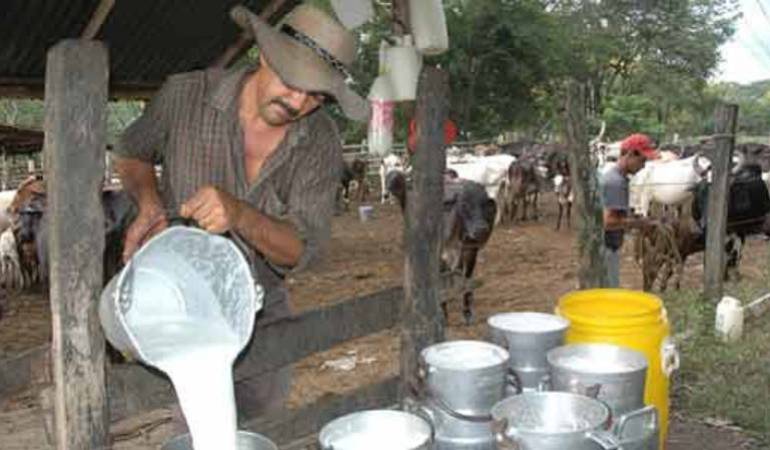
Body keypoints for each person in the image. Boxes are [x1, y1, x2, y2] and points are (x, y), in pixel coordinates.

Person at [112, 4, 368, 416]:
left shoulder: (320, 140)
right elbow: (131, 151)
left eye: (317, 94)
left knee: (262, 416)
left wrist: (241, 214)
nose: (297, 101)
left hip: (260, 302)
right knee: (194, 419)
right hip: (181, 295)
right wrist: (148, 203)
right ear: (264, 55)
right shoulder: (186, 96)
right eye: (291, 80)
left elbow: (300, 250)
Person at [600, 133, 658, 287]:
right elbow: (608, 222)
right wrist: (639, 223)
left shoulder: (616, 178)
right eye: (642, 160)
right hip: (605, 248)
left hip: (605, 246)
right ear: (631, 154)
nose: (643, 166)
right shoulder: (616, 182)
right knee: (608, 293)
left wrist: (633, 218)